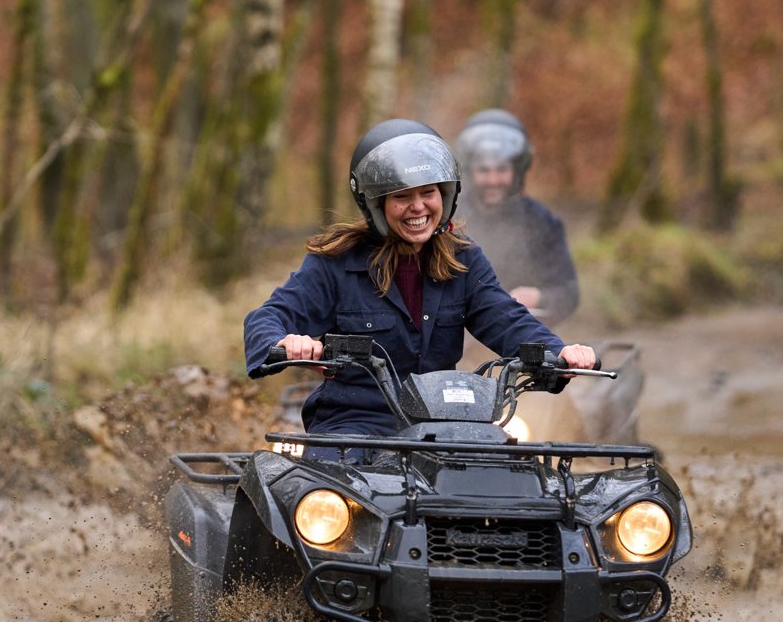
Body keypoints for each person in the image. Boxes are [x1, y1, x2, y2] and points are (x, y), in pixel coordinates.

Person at [244, 118, 597, 447]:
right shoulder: (334, 263)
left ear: (446, 194)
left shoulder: (464, 260)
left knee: (511, 486)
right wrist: (286, 342)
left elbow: (505, 317)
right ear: (376, 204)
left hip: (443, 425)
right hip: (355, 430)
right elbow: (267, 318)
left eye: (428, 192)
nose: (418, 207)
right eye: (401, 197)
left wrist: (559, 352)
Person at [453, 108, 578, 327]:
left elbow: (569, 292)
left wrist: (539, 297)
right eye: (484, 170)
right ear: (470, 172)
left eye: (501, 169)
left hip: (523, 337)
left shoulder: (542, 222)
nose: (493, 180)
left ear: (518, 170)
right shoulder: (449, 217)